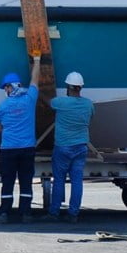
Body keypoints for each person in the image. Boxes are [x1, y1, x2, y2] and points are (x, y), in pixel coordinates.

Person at [0, 55, 41, 224]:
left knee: (7, 181)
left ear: (9, 87)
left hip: (8, 149)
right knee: (26, 181)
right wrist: (37, 60)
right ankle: (26, 213)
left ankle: (3, 213)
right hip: (27, 149)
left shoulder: (3, 106)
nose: (5, 91)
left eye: (5, 88)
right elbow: (35, 80)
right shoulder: (29, 99)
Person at [43, 71, 94, 223]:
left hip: (63, 147)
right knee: (77, 181)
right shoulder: (88, 104)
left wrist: (40, 90)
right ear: (81, 87)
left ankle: (54, 212)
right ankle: (73, 214)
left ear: (68, 87)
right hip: (81, 147)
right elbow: (91, 118)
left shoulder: (61, 103)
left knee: (59, 180)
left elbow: (48, 102)